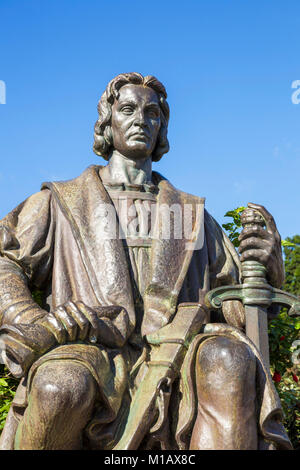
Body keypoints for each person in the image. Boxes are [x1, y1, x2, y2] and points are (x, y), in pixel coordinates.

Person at [0, 73, 292, 450]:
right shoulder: (60, 201)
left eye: (152, 112)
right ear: (107, 122)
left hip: (179, 349)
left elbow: (233, 305)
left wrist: (267, 272)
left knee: (229, 360)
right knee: (61, 385)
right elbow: (5, 262)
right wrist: (33, 319)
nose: (141, 119)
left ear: (161, 127)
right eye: (127, 109)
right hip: (93, 349)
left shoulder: (192, 215)